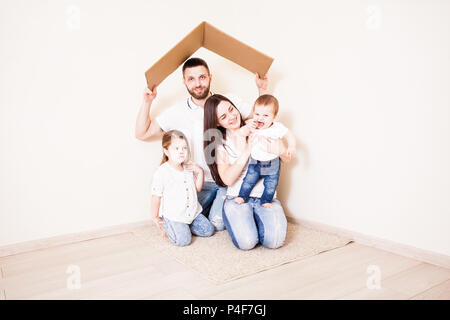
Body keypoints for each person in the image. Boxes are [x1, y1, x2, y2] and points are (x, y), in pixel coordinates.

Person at [135, 57, 268, 231]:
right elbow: (142, 133)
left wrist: (262, 89)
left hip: (226, 182)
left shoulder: (227, 103)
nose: (198, 83)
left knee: (218, 224)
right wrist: (147, 101)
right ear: (184, 82)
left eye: (202, 77)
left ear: (210, 77)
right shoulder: (177, 111)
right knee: (189, 218)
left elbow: (259, 118)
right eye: (191, 79)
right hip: (196, 183)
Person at [203, 94, 292, 250]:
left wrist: (281, 150)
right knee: (247, 243)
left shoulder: (258, 125)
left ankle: (257, 216)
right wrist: (247, 149)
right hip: (237, 197)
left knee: (275, 241)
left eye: (231, 109)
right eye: (224, 116)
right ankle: (241, 217)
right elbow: (228, 180)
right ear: (217, 122)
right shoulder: (220, 144)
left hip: (265, 196)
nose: (231, 116)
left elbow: (285, 157)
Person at [150, 130, 214, 246]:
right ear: (166, 151)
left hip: (192, 213)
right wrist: (155, 217)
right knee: (183, 241)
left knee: (208, 231)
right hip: (175, 215)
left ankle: (185, 225)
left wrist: (200, 172)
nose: (181, 152)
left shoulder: (188, 167)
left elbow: (197, 189)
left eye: (184, 148)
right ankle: (171, 225)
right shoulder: (162, 172)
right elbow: (156, 197)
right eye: (176, 148)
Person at [234, 94, 296, 208]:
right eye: (257, 114)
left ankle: (266, 201)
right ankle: (242, 196)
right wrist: (247, 128)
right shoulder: (252, 125)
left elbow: (289, 135)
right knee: (248, 180)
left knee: (271, 184)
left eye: (266, 115)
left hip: (272, 163)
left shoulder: (277, 127)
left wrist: (291, 147)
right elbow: (240, 134)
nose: (260, 118)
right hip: (255, 162)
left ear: (274, 117)